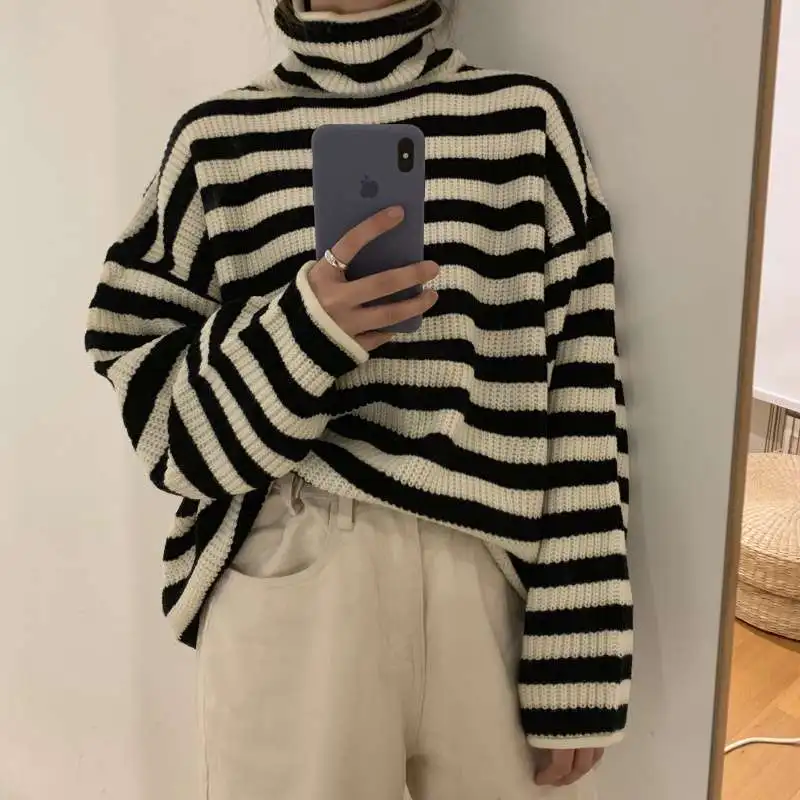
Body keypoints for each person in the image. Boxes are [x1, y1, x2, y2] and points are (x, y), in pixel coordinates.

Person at [85, 0, 632, 797]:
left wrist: (580, 650)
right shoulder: (217, 143)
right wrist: (302, 333)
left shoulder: (523, 124)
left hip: (487, 577)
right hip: (294, 563)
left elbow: (584, 393)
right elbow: (165, 430)